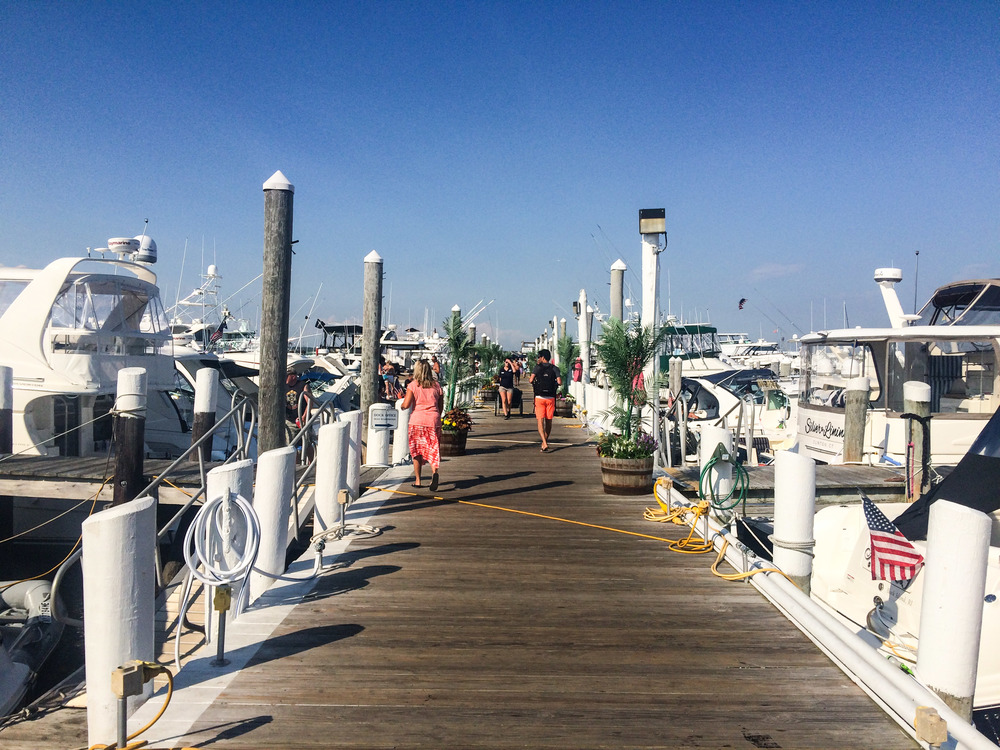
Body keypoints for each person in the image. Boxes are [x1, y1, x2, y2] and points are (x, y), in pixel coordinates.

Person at [401, 359, 444, 491]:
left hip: (417, 421)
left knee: (417, 451)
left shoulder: (413, 385)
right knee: (433, 449)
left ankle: (418, 480)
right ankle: (434, 473)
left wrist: (402, 405)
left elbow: (406, 404)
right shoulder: (437, 386)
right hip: (433, 420)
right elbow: (440, 407)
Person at [529, 348, 562, 452]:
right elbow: (559, 382)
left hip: (539, 397)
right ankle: (544, 442)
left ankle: (544, 442)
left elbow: (530, 380)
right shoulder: (555, 368)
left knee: (540, 421)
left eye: (539, 357)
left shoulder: (537, 368)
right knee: (549, 421)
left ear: (542, 357)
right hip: (551, 398)